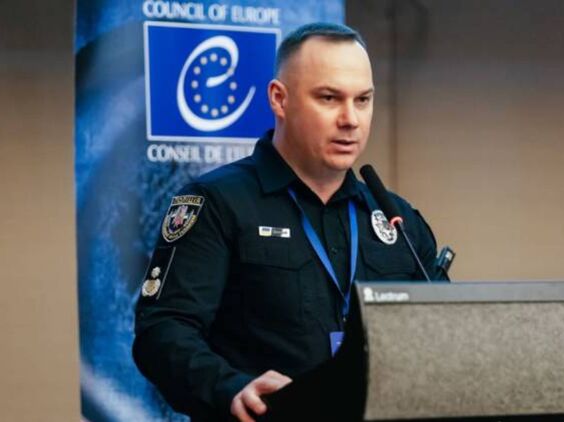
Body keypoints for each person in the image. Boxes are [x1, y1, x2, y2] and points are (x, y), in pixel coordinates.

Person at [133, 22, 445, 422]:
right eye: (329, 98)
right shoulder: (217, 203)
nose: (351, 119)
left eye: (363, 100)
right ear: (279, 99)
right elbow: (163, 330)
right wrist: (230, 387)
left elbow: (445, 333)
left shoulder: (394, 219)